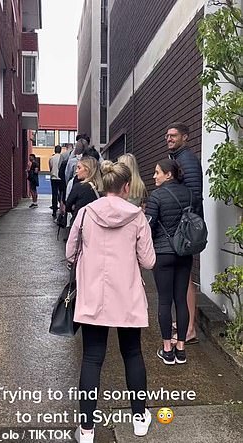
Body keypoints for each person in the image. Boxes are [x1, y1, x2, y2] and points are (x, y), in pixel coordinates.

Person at [66, 162, 156, 442]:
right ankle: (139, 419)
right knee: (132, 354)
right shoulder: (137, 217)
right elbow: (149, 261)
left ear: (104, 185)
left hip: (93, 295)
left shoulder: (85, 213)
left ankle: (87, 430)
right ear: (127, 187)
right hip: (127, 296)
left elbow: (71, 253)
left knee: (92, 359)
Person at [145, 159, 197, 365]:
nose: (154, 176)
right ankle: (181, 349)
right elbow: (196, 223)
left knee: (165, 300)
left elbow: (149, 227)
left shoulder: (156, 196)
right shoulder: (191, 195)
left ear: (169, 175)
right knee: (181, 300)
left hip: (163, 253)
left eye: (157, 172)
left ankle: (167, 349)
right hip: (184, 253)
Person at [166, 122, 203, 345]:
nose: (169, 139)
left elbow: (194, 195)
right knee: (182, 277)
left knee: (186, 278)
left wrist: (182, 224)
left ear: (185, 137)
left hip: (185, 230)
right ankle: (185, 323)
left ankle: (189, 329)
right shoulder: (178, 158)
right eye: (167, 136)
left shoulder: (186, 160)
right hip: (182, 228)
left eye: (173, 136)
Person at [66, 157, 103, 223]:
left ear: (87, 169)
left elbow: (68, 206)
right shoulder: (102, 187)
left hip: (80, 223)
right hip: (96, 224)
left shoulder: (79, 187)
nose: (76, 171)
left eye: (79, 168)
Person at [49, 145, 62, 218]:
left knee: (54, 194)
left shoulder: (51, 158)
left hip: (53, 178)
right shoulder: (62, 158)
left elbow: (50, 168)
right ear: (60, 150)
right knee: (61, 193)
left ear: (54, 150)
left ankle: (54, 210)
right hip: (61, 178)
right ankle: (61, 209)